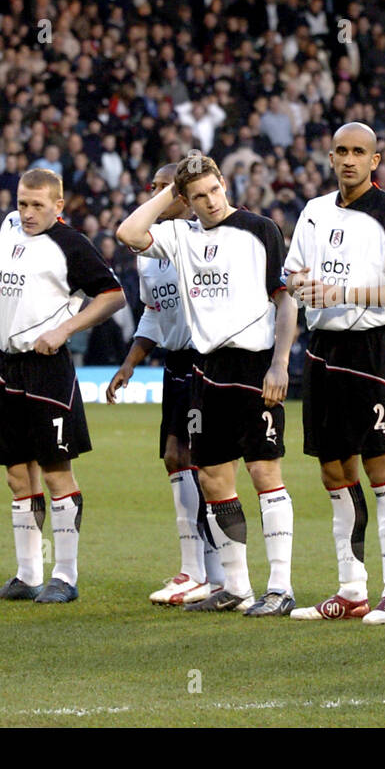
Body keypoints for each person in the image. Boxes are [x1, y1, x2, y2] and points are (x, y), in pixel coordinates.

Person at [117, 153, 299, 616]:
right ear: (187, 200)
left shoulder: (260, 229)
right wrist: (167, 194)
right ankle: (236, 587)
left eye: (214, 189)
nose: (210, 201)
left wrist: (280, 364)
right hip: (206, 368)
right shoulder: (179, 235)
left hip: (255, 366)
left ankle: (279, 587)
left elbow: (287, 299)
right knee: (215, 478)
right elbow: (128, 234)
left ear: (224, 183)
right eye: (198, 196)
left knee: (264, 472)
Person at [283, 122, 385, 625]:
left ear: (375, 159)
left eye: (358, 152)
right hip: (322, 350)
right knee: (334, 471)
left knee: (382, 469)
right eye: (341, 151)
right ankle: (351, 589)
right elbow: (290, 273)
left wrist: (345, 293)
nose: (348, 159)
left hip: (374, 353)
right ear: (330, 157)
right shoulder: (314, 212)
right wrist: (302, 283)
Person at [0, 168, 126, 603]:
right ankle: (27, 576)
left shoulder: (71, 245)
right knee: (16, 473)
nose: (26, 212)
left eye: (37, 205)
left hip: (46, 367)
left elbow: (113, 294)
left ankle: (65, 575)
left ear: (58, 206)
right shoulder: (8, 227)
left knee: (56, 470)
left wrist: (64, 330)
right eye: (22, 202)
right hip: (6, 364)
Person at [109, 164, 224, 606]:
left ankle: (213, 572)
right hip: (174, 362)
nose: (155, 196)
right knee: (175, 457)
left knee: (202, 461)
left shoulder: (203, 241)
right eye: (153, 189)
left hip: (205, 361)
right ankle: (193, 568)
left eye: (165, 190)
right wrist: (130, 362)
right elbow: (154, 311)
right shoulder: (148, 252)